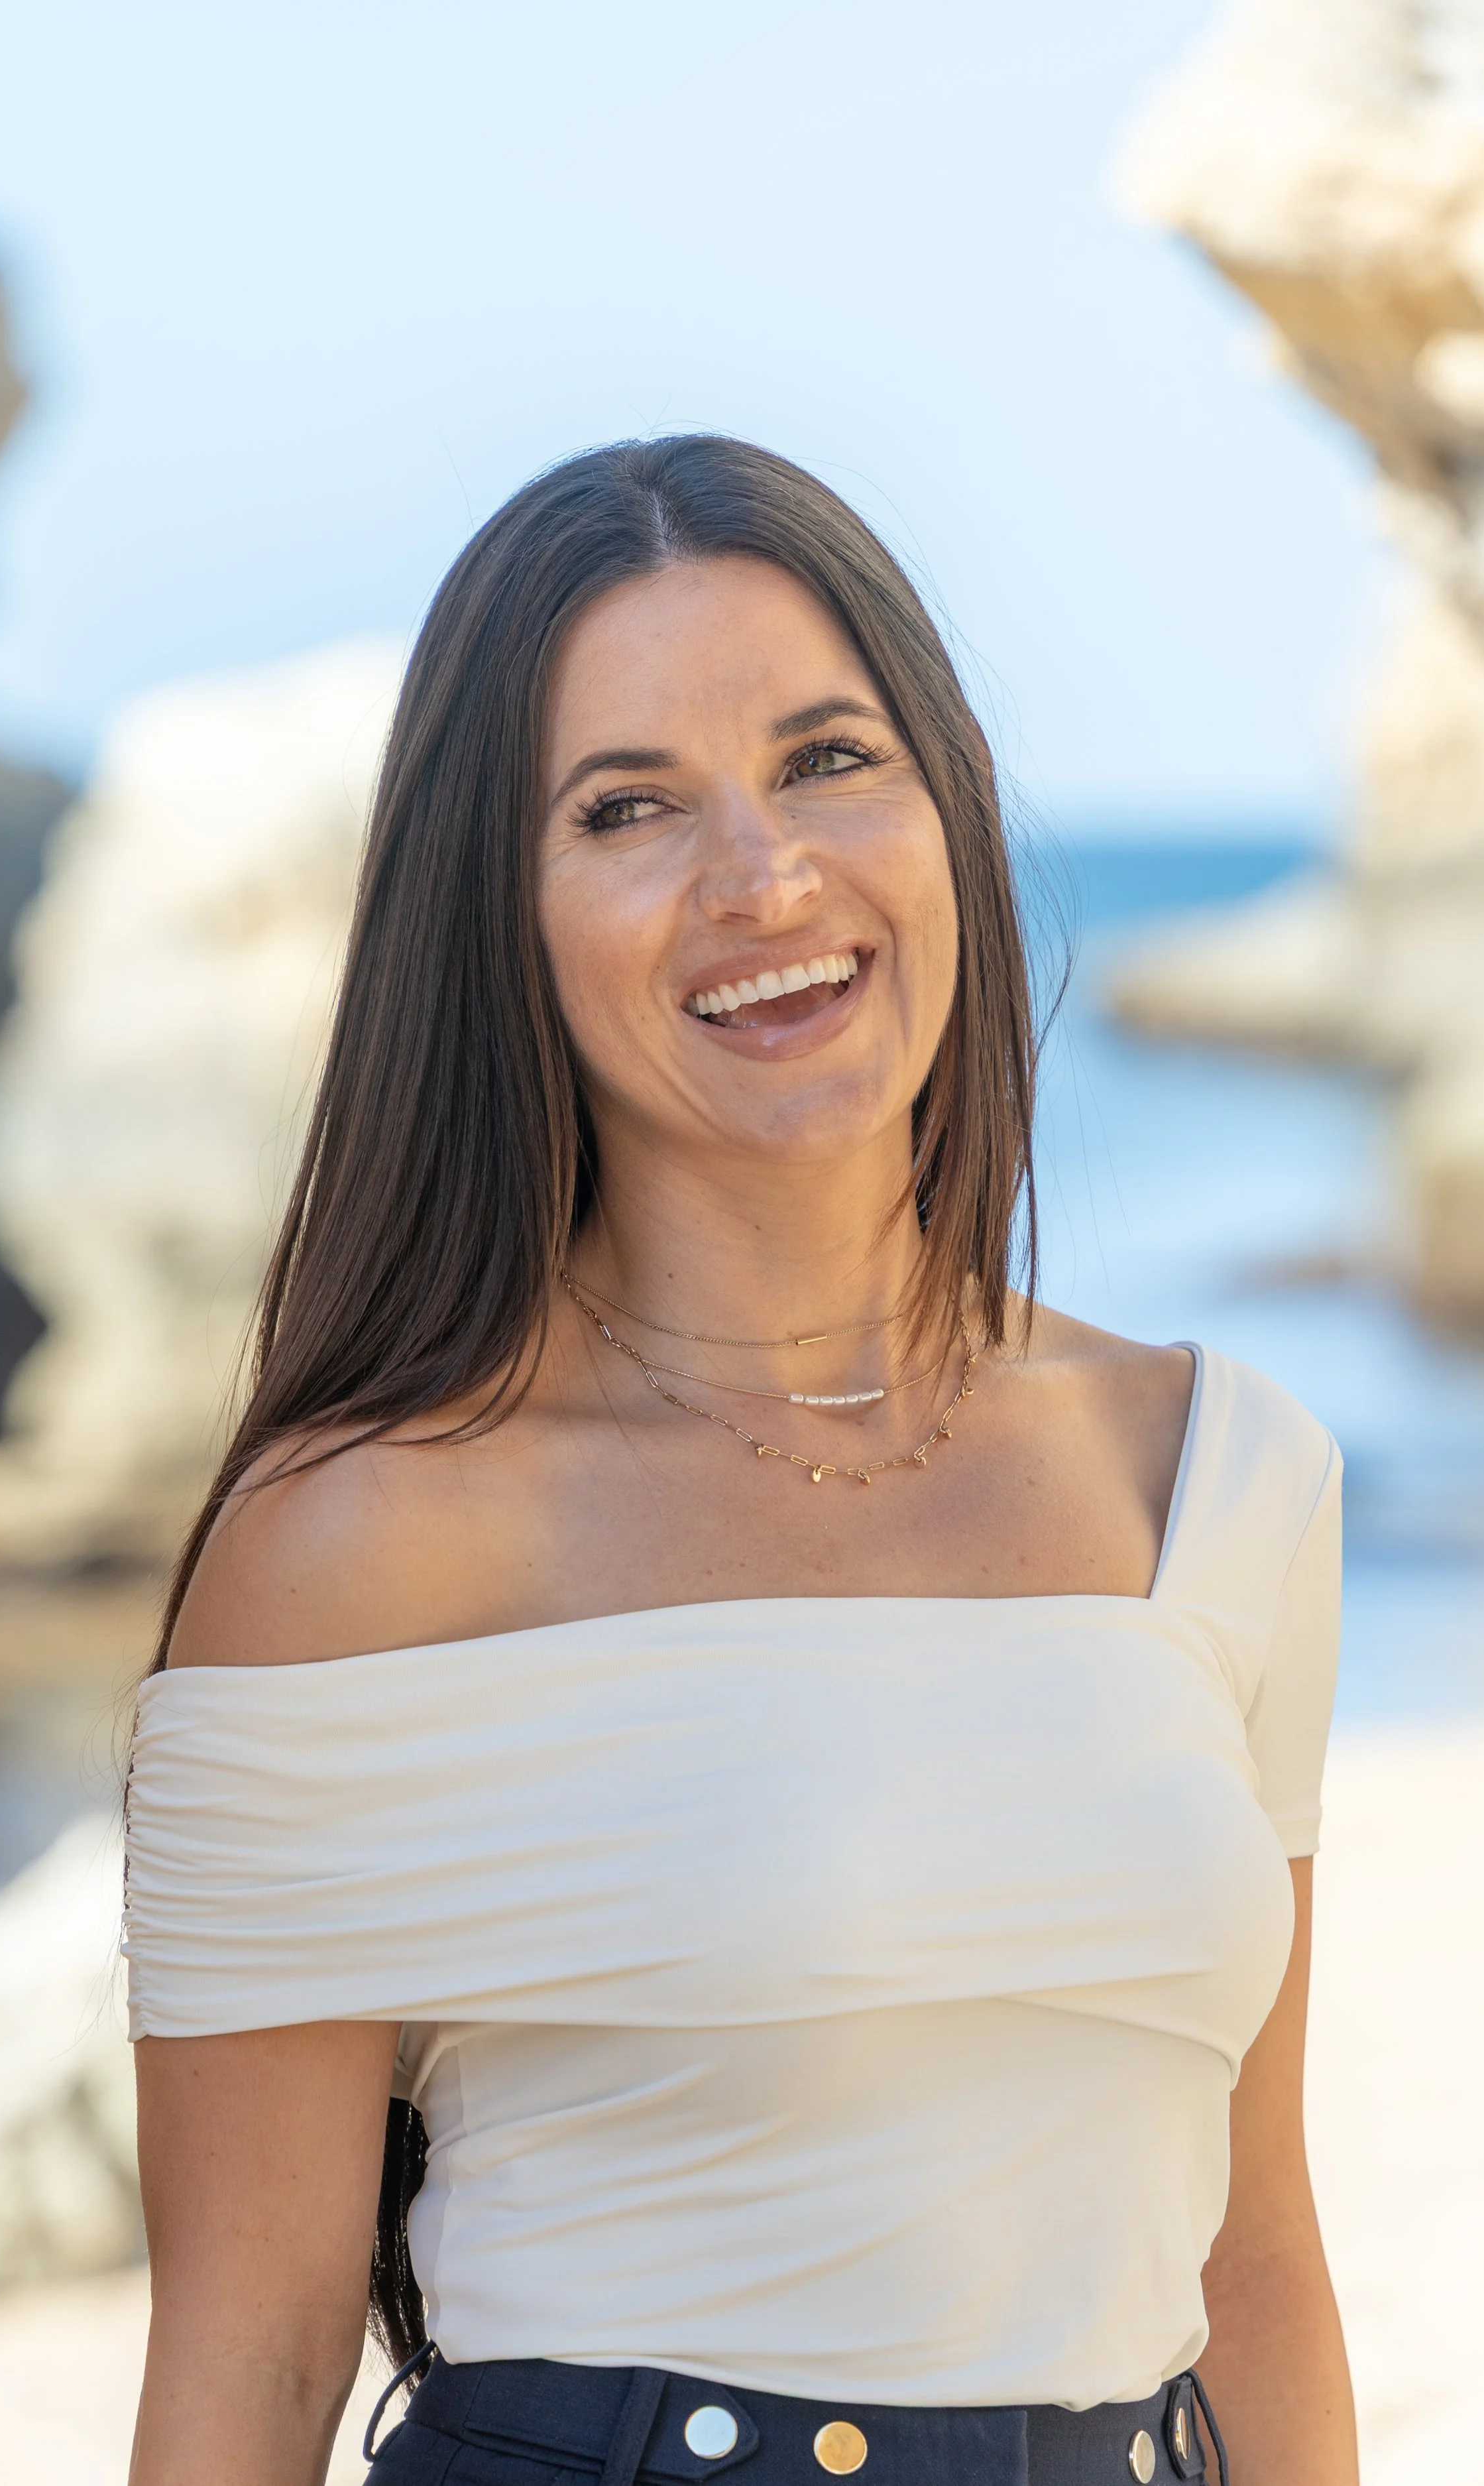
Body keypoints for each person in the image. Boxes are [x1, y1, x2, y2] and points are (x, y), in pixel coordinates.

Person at [123, 435, 1358, 2486]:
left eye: (823, 759)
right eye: (627, 808)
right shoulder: (355, 1546)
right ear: (495, 912)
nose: (761, 877)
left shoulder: (1218, 1480)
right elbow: (247, 2365)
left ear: (942, 797)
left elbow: (1258, 2261)